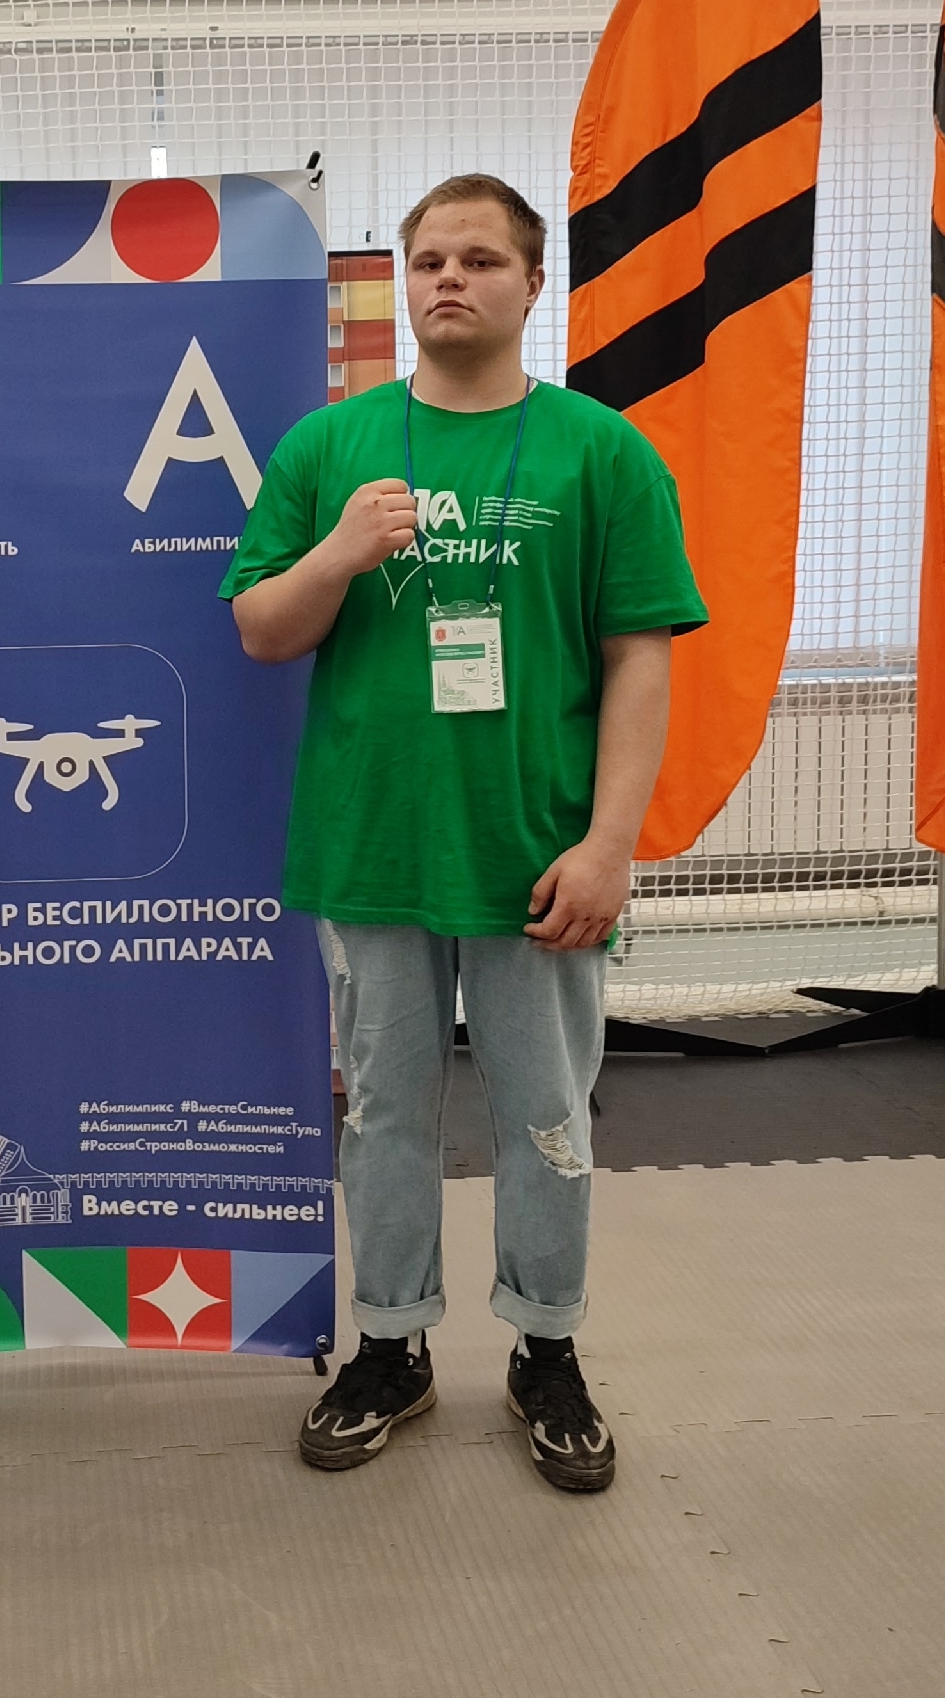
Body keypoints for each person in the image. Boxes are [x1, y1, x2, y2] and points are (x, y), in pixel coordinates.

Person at [222, 174, 705, 1492]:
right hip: (373, 846)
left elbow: (642, 657)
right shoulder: (331, 446)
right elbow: (261, 630)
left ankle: (548, 1346)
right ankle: (392, 1345)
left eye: (481, 259)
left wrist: (611, 845)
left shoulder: (603, 453)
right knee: (385, 1110)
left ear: (532, 284)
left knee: (547, 1111)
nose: (449, 279)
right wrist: (338, 552)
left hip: (539, 852)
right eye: (429, 258)